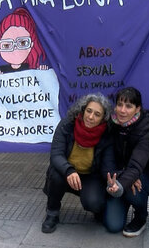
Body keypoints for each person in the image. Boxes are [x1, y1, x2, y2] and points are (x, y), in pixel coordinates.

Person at [41, 93, 114, 233]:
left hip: (90, 175)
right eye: (89, 111)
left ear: (103, 118)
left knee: (95, 203)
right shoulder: (67, 124)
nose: (91, 117)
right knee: (55, 174)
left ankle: (96, 207)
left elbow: (107, 166)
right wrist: (68, 170)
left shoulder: (107, 134)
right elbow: (56, 154)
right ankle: (52, 213)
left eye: (97, 114)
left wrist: (113, 181)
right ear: (82, 110)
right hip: (66, 172)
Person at [104, 87, 149, 237]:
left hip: (142, 173)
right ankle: (118, 202)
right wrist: (121, 178)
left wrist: (128, 178)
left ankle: (140, 216)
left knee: (134, 190)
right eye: (119, 104)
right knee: (113, 225)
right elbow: (106, 160)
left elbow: (137, 163)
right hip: (118, 175)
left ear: (137, 108)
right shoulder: (110, 124)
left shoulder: (145, 127)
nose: (122, 110)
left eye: (128, 106)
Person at [0, 7, 48, 74]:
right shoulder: (2, 70)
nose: (15, 49)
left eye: (22, 43)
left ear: (31, 45)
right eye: (7, 45)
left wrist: (42, 73)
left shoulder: (31, 68)